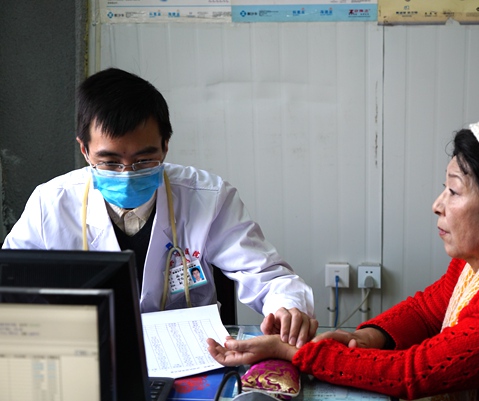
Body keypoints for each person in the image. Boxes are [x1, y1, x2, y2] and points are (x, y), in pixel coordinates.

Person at [208, 118, 479, 400]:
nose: (437, 205)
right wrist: (366, 337)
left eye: (454, 192)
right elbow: (429, 310)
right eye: (444, 188)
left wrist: (291, 352)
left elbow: (412, 372)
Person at [2, 67, 317, 348]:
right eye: (110, 162)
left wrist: (287, 306)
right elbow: (10, 283)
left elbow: (266, 274)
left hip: (190, 354)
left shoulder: (207, 197)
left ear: (165, 146)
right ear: (85, 150)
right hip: (87, 351)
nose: (127, 174)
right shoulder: (51, 203)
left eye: (143, 160)